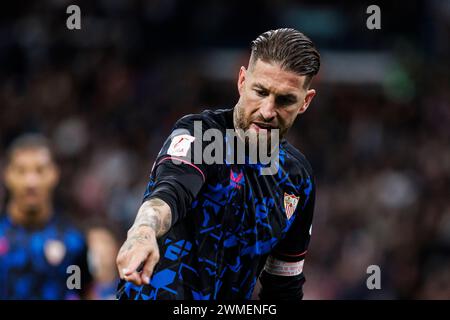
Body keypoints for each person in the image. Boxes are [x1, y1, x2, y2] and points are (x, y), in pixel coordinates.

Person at [116, 28, 320, 300]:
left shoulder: (298, 178)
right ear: (242, 81)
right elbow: (168, 194)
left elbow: (284, 285)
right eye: (260, 92)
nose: (268, 111)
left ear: (305, 102)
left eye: (285, 100)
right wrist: (143, 231)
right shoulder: (200, 135)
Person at [0, 134, 91, 299]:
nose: (31, 182)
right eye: (21, 171)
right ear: (7, 175)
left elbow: (78, 291)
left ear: (54, 174)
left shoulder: (74, 243)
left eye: (40, 170)